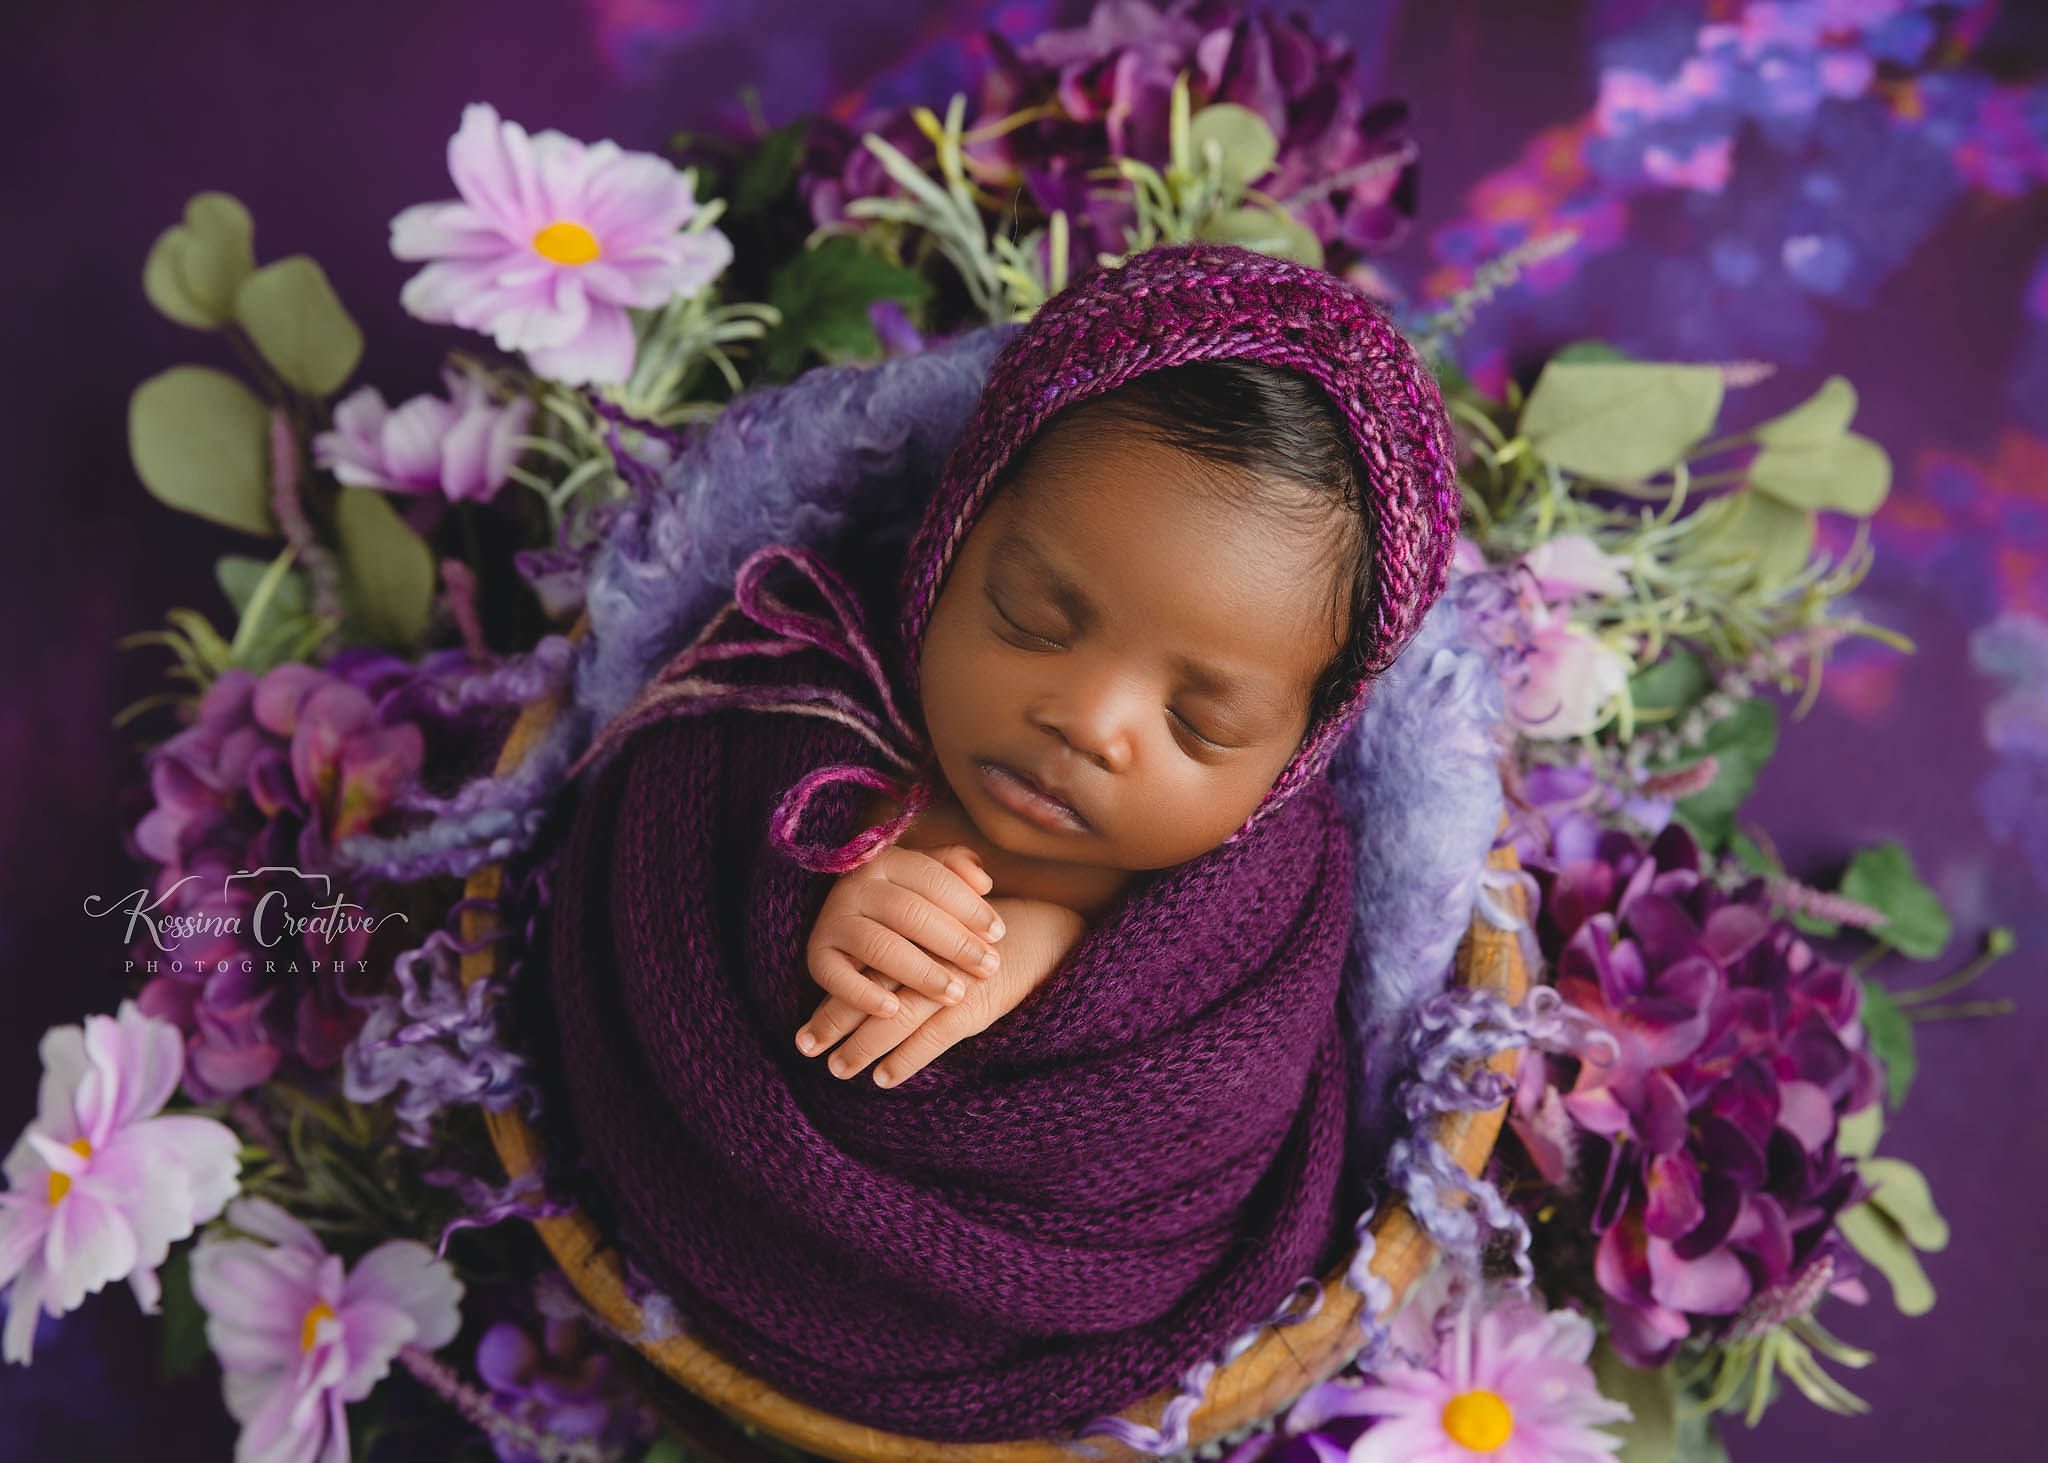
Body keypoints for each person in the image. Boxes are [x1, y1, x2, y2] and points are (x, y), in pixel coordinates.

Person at [543, 242, 1460, 1441]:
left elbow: (1223, 1122)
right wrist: (819, 866)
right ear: (950, 530)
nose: (1089, 721)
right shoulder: (788, 689)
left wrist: (1049, 954)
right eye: (1030, 615)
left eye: (1199, 719)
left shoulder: (1267, 915)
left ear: (1299, 747)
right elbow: (671, 827)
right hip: (727, 1228)